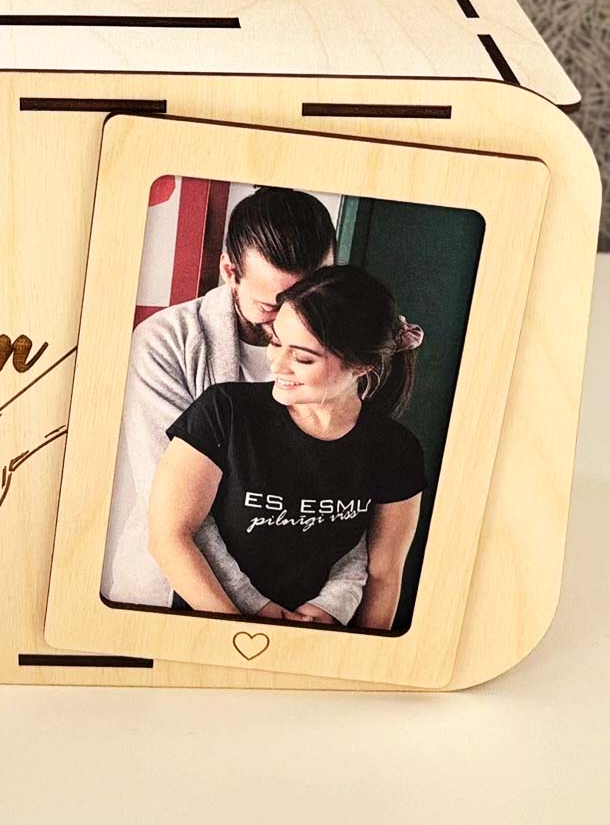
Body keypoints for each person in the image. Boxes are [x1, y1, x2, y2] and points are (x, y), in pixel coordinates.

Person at [101, 187, 370, 623]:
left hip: (301, 608)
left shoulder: (348, 354)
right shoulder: (164, 342)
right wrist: (249, 610)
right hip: (178, 595)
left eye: (309, 296)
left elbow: (351, 497)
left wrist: (332, 603)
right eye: (271, 305)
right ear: (230, 271)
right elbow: (172, 511)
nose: (291, 319)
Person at [147, 265, 426, 631]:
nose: (277, 364)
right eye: (276, 342)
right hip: (207, 628)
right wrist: (239, 631)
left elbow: (384, 574)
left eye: (303, 357)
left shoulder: (396, 450)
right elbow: (169, 536)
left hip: (321, 640)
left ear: (361, 367)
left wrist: (353, 649)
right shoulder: (224, 411)